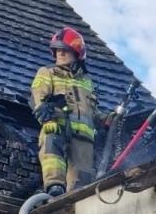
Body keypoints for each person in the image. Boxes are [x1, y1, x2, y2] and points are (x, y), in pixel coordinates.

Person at [30, 27, 103, 197]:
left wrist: (108, 119)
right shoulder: (48, 73)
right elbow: (38, 97)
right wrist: (47, 121)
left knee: (80, 186)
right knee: (52, 154)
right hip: (57, 128)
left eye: (65, 50)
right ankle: (54, 186)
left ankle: (73, 203)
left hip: (83, 139)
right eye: (57, 50)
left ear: (77, 53)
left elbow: (93, 111)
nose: (60, 54)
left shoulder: (87, 83)